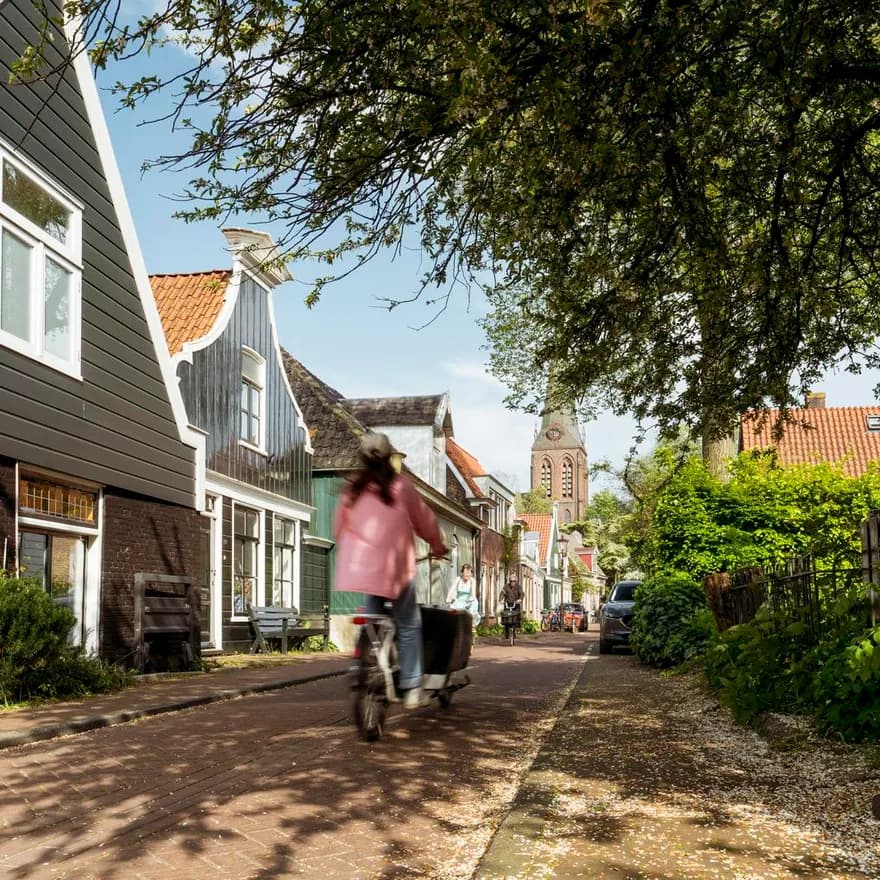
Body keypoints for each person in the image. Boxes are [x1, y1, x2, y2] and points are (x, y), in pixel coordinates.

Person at [334, 432, 448, 709]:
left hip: (361, 569)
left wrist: (348, 553)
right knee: (409, 624)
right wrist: (438, 545)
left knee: (372, 616)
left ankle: (360, 665)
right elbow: (425, 521)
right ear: (389, 458)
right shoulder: (401, 487)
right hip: (395, 571)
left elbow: (339, 528)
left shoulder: (352, 489)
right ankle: (411, 687)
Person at [446, 563, 481, 629]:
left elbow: (473, 594)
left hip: (468, 600)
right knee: (452, 609)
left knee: (473, 605)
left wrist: (471, 599)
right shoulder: (458, 579)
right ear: (462, 573)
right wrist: (448, 597)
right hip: (459, 600)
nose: (467, 575)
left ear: (471, 574)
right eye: (465, 573)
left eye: (469, 573)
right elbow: (452, 589)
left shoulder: (472, 581)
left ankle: (472, 625)